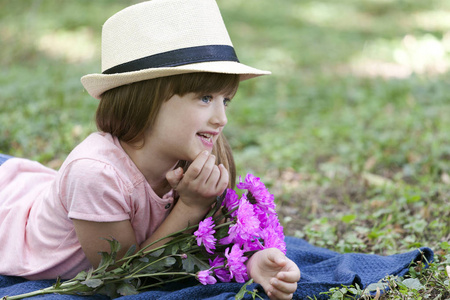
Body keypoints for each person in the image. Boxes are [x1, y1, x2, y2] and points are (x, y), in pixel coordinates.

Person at [0, 0, 300, 299]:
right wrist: (190, 207)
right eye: (205, 98)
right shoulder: (95, 174)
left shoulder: (197, 153)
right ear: (147, 100)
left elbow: (219, 233)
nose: (222, 119)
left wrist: (254, 261)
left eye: (226, 100)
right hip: (11, 222)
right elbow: (121, 280)